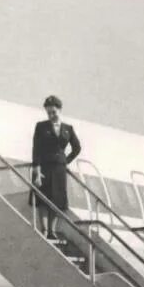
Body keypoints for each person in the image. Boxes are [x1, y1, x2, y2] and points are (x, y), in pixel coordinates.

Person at [31, 95, 81, 239]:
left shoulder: (68, 129)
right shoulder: (41, 126)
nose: (51, 115)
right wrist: (36, 169)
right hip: (44, 166)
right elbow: (36, 148)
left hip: (59, 168)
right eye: (48, 112)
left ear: (59, 110)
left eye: (53, 112)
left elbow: (77, 148)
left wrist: (66, 161)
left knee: (57, 199)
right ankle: (45, 230)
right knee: (43, 199)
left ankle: (52, 231)